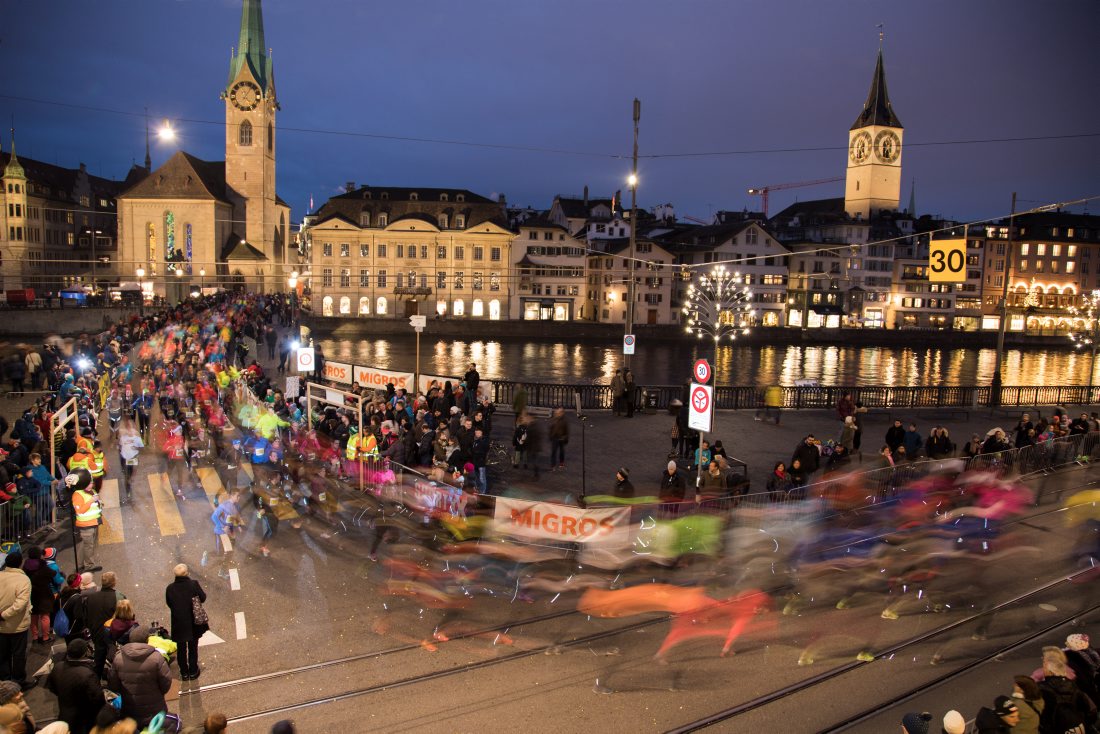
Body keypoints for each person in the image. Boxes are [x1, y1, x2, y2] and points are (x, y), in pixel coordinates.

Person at [107, 625, 171, 729]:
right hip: (155, 710)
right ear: (147, 640)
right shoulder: (156, 658)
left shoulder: (118, 658)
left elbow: (113, 684)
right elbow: (166, 682)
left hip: (130, 710)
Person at [46, 639, 104, 734]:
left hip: (63, 714)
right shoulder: (87, 674)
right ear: (84, 653)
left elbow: (52, 688)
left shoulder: (58, 667)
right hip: (83, 720)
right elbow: (98, 700)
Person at [165, 564, 207, 681]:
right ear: (187, 573)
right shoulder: (193, 584)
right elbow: (203, 598)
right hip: (193, 621)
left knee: (181, 647)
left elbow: (169, 603)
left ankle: (184, 672)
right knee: (193, 647)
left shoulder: (170, 588)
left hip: (178, 622)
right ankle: (193, 671)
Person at [0, 554, 31, 689]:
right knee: (18, 655)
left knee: (2, 656)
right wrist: (4, 615)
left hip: (1, 627)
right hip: (17, 626)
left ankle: (5, 683)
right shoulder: (23, 579)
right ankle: (18, 682)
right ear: (20, 563)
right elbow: (20, 604)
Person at [68, 469, 102, 573]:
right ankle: (89, 565)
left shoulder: (90, 491)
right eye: (90, 483)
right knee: (88, 546)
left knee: (89, 545)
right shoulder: (78, 495)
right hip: (86, 525)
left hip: (94, 522)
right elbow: (80, 510)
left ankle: (83, 563)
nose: (91, 484)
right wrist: (92, 501)